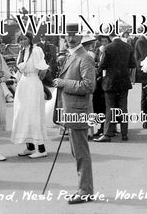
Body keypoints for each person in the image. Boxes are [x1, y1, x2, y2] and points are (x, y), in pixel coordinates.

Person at [53, 23, 96, 204]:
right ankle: (83, 188)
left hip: (77, 111)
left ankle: (85, 190)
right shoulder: (72, 56)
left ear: (81, 37)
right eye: (67, 36)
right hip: (70, 110)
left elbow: (89, 86)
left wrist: (64, 83)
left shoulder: (84, 57)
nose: (70, 39)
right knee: (77, 152)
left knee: (80, 153)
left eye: (74, 35)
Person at [11, 32, 49, 158]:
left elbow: (43, 67)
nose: (23, 41)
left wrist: (40, 75)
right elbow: (19, 71)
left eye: (25, 39)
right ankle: (30, 146)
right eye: (20, 39)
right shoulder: (21, 52)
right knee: (23, 113)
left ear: (30, 39)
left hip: (33, 83)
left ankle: (41, 149)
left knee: (34, 114)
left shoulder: (36, 50)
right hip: (23, 83)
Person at [94, 32, 136, 143]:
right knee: (123, 108)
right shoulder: (128, 47)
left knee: (110, 108)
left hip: (110, 82)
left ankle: (107, 133)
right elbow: (133, 64)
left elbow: (102, 66)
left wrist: (97, 71)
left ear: (111, 37)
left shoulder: (107, 48)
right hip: (123, 81)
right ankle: (124, 133)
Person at [134, 31, 147, 120]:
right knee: (145, 94)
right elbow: (145, 55)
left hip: (144, 70)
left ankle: (145, 115)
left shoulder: (144, 40)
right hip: (143, 71)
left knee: (145, 93)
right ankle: (144, 115)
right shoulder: (141, 41)